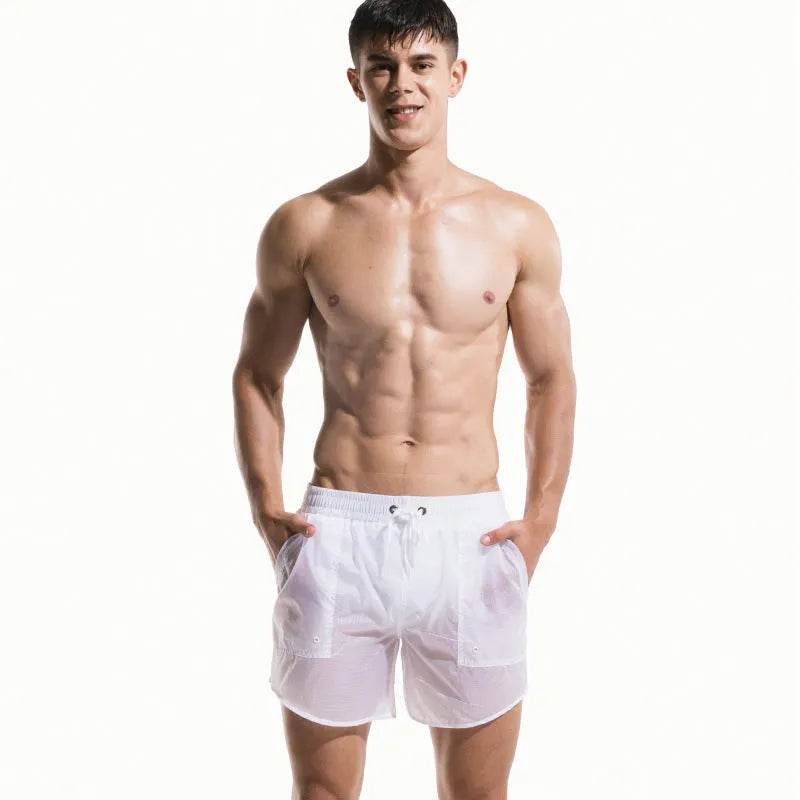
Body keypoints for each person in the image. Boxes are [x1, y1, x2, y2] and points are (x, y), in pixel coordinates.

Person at [232, 0, 576, 796]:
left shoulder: (515, 224)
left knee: (477, 794)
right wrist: (266, 511)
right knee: (322, 793)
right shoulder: (305, 224)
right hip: (339, 532)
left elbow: (551, 377)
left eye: (422, 65)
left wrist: (542, 521)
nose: (403, 85)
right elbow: (257, 374)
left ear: (457, 76)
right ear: (357, 82)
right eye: (382, 67)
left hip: (471, 534)